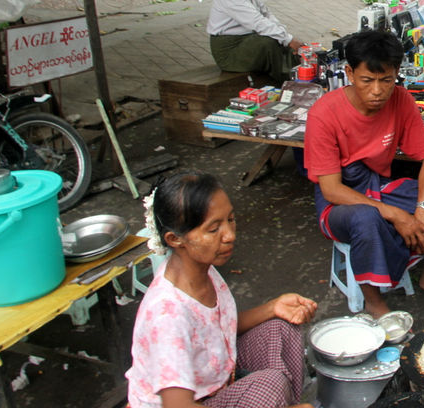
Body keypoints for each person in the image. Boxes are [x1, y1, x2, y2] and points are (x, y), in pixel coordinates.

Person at [304, 30, 424, 318]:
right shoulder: (324, 114)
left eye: (386, 80)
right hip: (339, 203)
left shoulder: (401, 100)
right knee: (366, 216)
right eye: (367, 80)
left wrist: (421, 213)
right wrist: (398, 215)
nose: (377, 90)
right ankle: (374, 302)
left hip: (382, 186)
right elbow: (332, 190)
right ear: (350, 73)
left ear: (396, 74)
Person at [127, 172, 317, 408]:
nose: (230, 235)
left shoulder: (202, 267)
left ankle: (288, 401)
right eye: (213, 229)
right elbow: (177, 405)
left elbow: (216, 328)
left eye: (231, 219)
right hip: (191, 402)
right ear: (175, 239)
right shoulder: (167, 314)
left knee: (281, 328)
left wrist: (273, 307)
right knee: (270, 385)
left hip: (216, 379)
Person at [206, 0, 302, 85]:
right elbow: (257, 22)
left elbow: (265, 13)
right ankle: (288, 82)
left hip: (245, 40)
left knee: (279, 38)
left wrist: (285, 35)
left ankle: (300, 72)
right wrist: (288, 40)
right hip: (229, 51)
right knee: (268, 44)